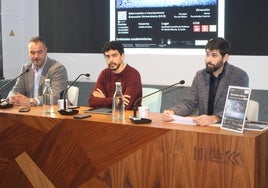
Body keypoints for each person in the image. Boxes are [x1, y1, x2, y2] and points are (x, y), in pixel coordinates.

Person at [162, 37, 249, 126]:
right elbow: (189, 103)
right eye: (207, 54)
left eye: (214, 55)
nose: (209, 60)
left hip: (229, 128)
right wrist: (173, 112)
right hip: (205, 128)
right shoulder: (200, 75)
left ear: (225, 58)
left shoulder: (238, 76)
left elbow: (236, 109)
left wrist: (214, 118)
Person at [7, 36, 68, 106]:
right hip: (30, 112)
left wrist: (32, 101)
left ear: (46, 51)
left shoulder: (57, 68)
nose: (36, 56)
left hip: (50, 112)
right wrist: (12, 98)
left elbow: (56, 95)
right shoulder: (26, 68)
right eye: (32, 52)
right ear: (28, 53)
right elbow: (16, 90)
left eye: (39, 52)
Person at [88, 41, 142, 110]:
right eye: (107, 56)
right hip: (108, 117)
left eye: (114, 55)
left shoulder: (133, 74)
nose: (110, 60)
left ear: (122, 56)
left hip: (127, 117)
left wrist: (104, 99)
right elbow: (92, 101)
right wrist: (113, 100)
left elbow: (124, 106)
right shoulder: (104, 73)